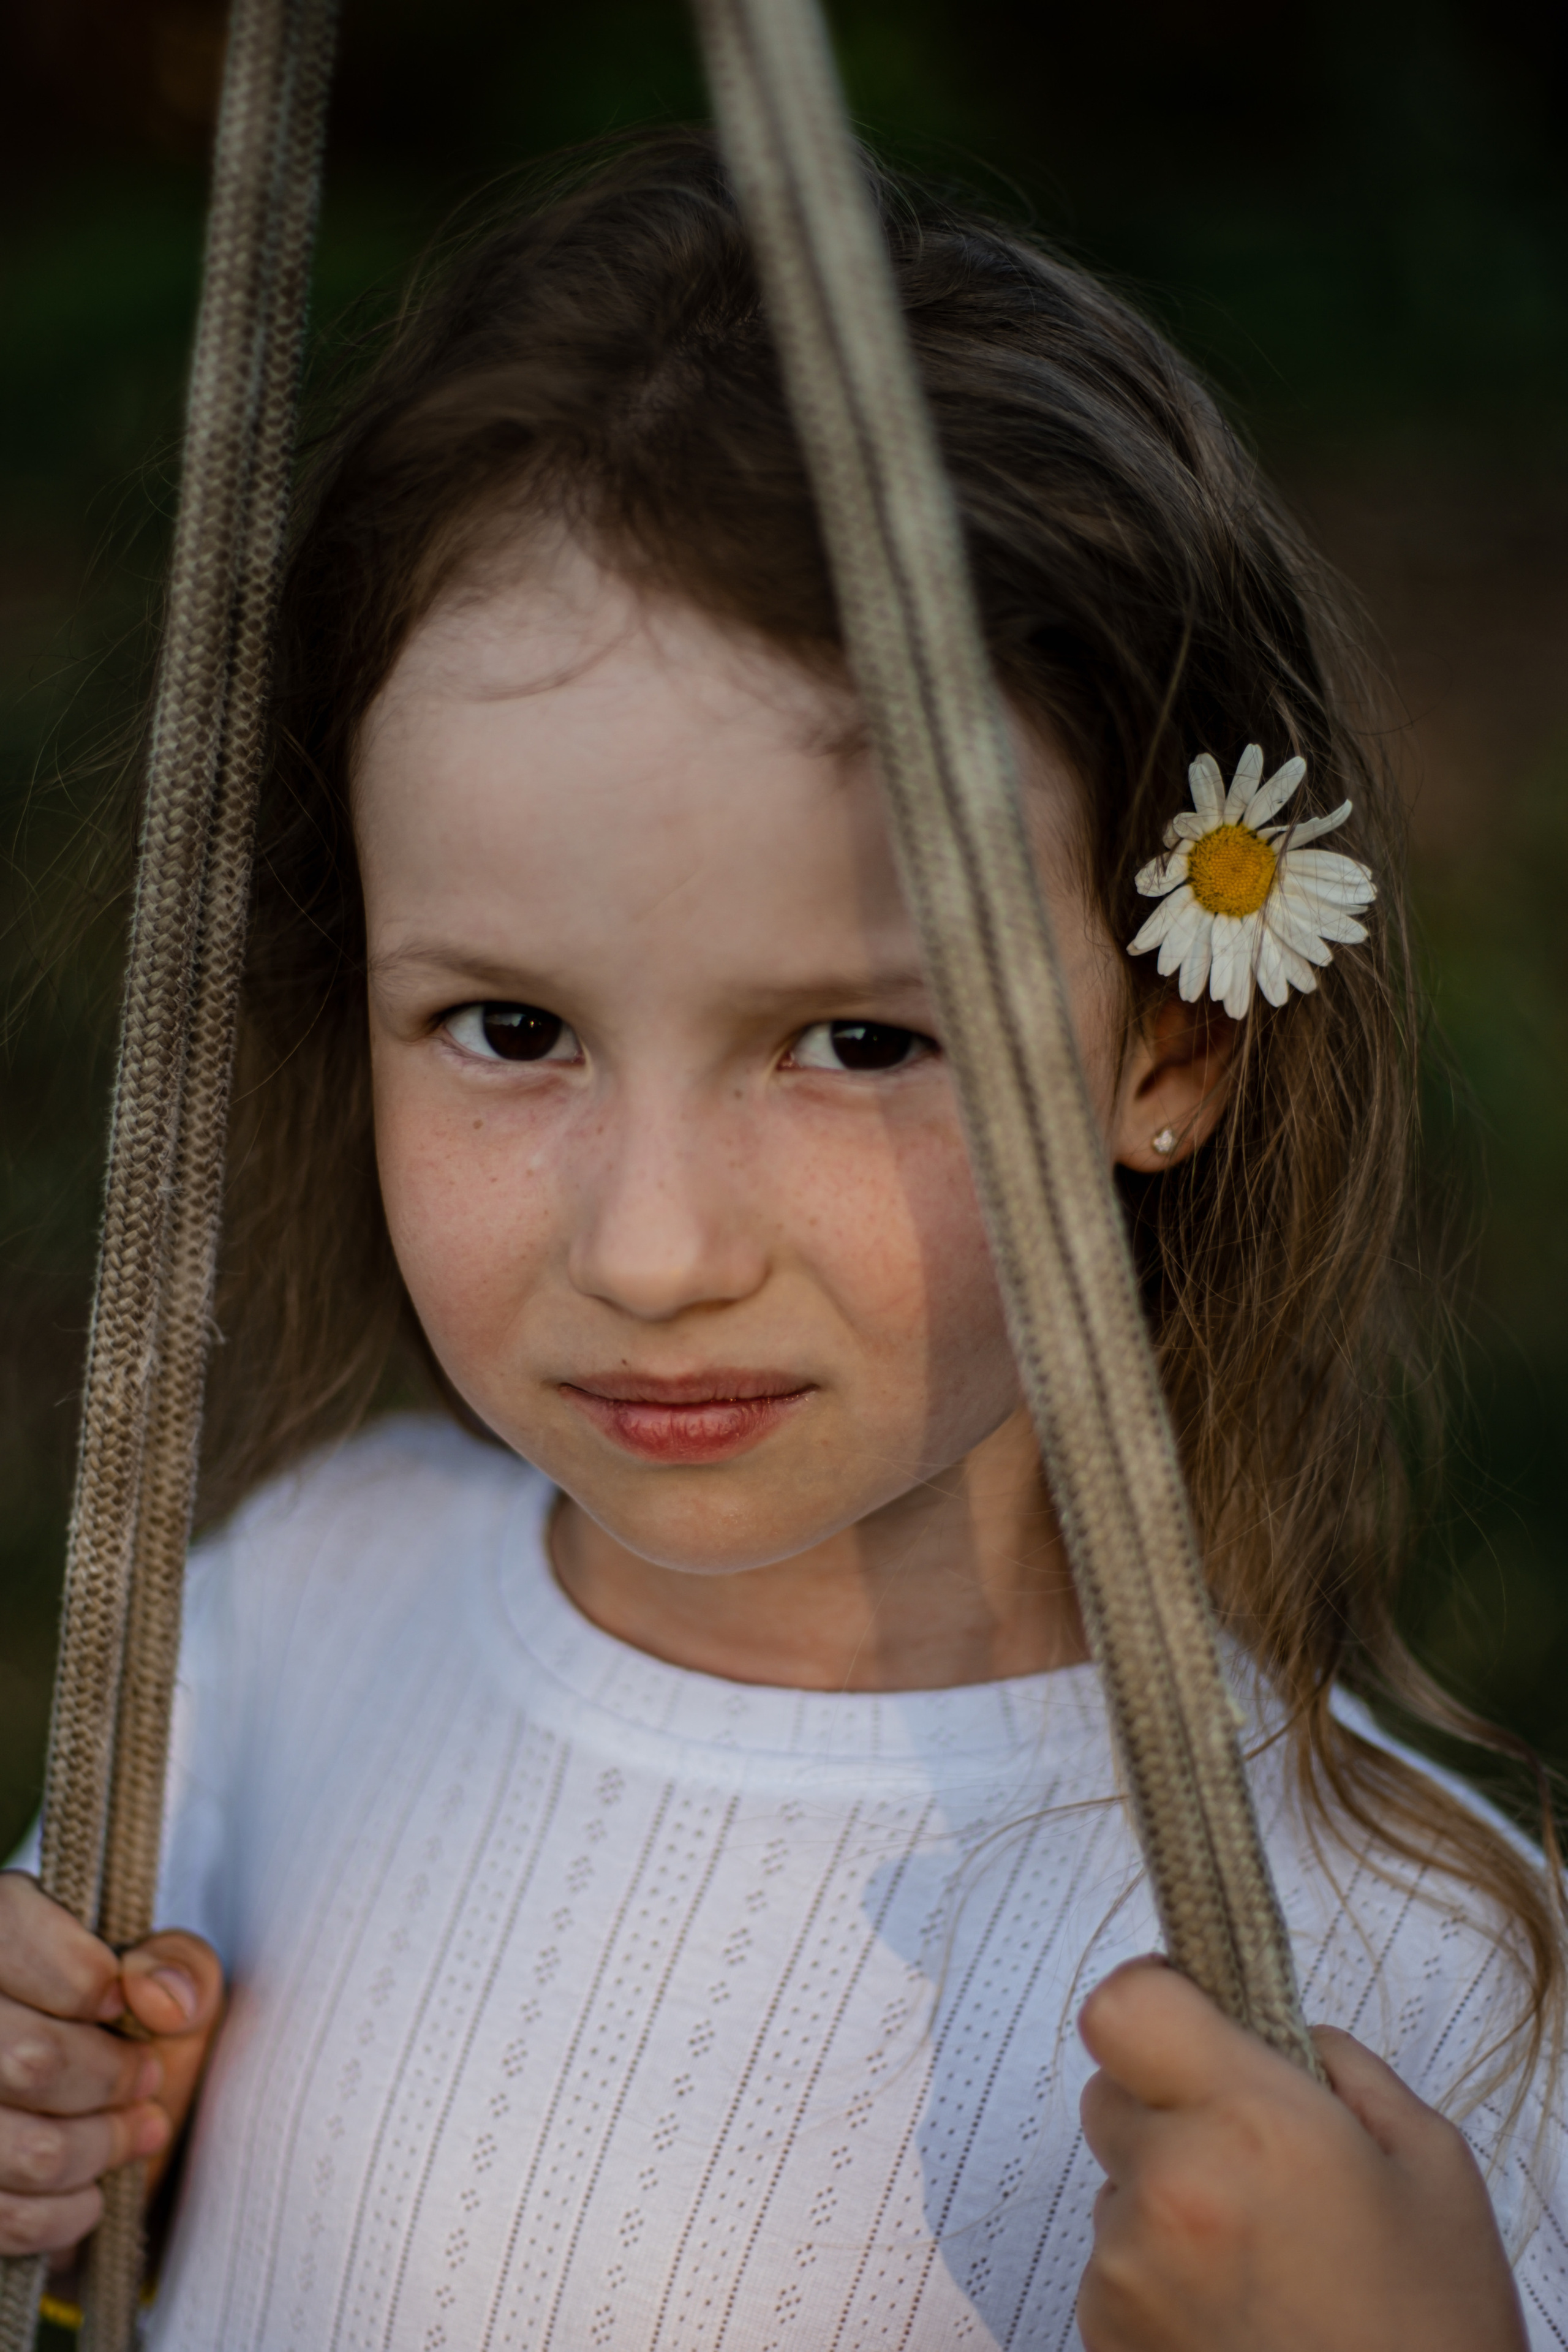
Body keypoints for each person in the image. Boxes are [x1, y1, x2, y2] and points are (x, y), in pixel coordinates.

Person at [1, 131, 1563, 2350]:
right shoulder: (289, 1618)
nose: (650, 1253)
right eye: (510, 1027)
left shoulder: (1419, 1991)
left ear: (1176, 1048)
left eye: (854, 1041)